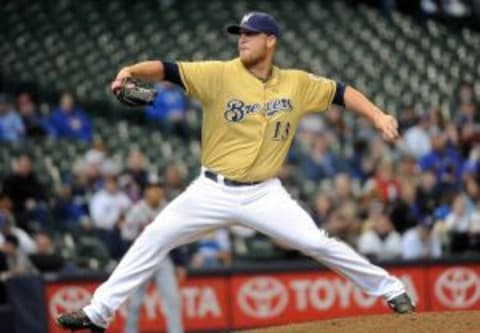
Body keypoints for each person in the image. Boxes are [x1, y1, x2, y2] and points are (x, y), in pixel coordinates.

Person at [57, 12, 414, 333]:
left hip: (264, 193)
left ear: (270, 40)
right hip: (212, 189)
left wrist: (378, 115)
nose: (242, 39)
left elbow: (341, 92)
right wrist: (130, 72)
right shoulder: (218, 74)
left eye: (251, 33)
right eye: (240, 33)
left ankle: (392, 290)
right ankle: (98, 313)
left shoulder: (296, 83)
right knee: (154, 237)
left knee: (315, 242)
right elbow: (167, 69)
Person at [121, 182, 185, 333]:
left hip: (163, 258)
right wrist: (129, 264)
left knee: (173, 299)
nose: (156, 192)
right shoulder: (136, 211)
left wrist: (180, 263)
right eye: (152, 189)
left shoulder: (169, 209)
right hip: (141, 260)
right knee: (135, 303)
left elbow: (177, 236)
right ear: (146, 192)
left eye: (159, 188)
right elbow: (125, 239)